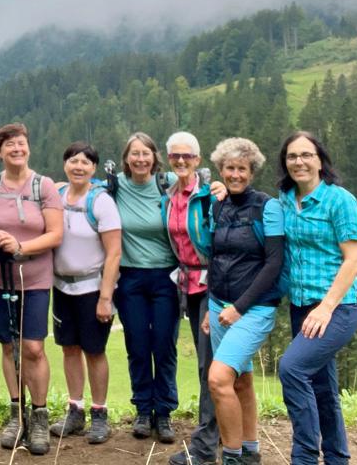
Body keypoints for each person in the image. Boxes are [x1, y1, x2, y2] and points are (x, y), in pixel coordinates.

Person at [276, 131, 357, 465]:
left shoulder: (339, 200)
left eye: (306, 155)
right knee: (324, 391)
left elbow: (354, 260)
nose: (299, 162)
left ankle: (305, 457)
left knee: (292, 368)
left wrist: (326, 308)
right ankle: (338, 459)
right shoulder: (285, 198)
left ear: (319, 159)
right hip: (301, 305)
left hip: (338, 305)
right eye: (292, 156)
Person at [0, 122, 63, 455]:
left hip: (35, 278)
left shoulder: (45, 186)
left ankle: (39, 415)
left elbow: (55, 234)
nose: (16, 149)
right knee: (9, 346)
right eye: (9, 144)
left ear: (29, 147)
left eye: (21, 143)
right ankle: (17, 413)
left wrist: (21, 247)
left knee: (34, 348)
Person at [201, 137, 284, 465]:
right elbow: (215, 256)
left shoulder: (268, 207)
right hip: (219, 305)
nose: (235, 174)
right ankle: (250, 451)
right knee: (242, 379)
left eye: (242, 169)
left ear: (252, 172)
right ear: (221, 169)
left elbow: (274, 262)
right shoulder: (218, 205)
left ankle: (232, 457)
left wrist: (240, 307)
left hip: (254, 308)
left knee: (218, 380)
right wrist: (211, 304)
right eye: (229, 168)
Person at [48, 141, 122, 445]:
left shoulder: (101, 201)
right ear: (65, 164)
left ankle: (99, 413)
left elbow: (114, 252)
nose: (79, 166)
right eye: (73, 160)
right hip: (62, 286)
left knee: (94, 351)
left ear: (94, 168)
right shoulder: (57, 194)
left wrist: (106, 297)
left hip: (93, 287)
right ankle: (75, 410)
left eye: (86, 162)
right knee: (68, 348)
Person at [113, 132, 181, 444]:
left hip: (167, 276)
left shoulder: (168, 183)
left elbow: (198, 187)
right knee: (138, 344)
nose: (141, 159)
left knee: (164, 345)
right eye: (134, 154)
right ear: (126, 158)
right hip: (129, 278)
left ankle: (164, 412)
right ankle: (143, 409)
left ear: (155, 157)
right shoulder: (114, 186)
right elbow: (82, 191)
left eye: (146, 153)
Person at [160, 131, 217, 457]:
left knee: (209, 367)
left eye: (188, 156)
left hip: (214, 285)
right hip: (187, 285)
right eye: (175, 157)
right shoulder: (169, 195)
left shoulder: (210, 195)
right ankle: (221, 432)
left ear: (198, 159)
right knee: (207, 362)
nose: (181, 161)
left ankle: (205, 446)